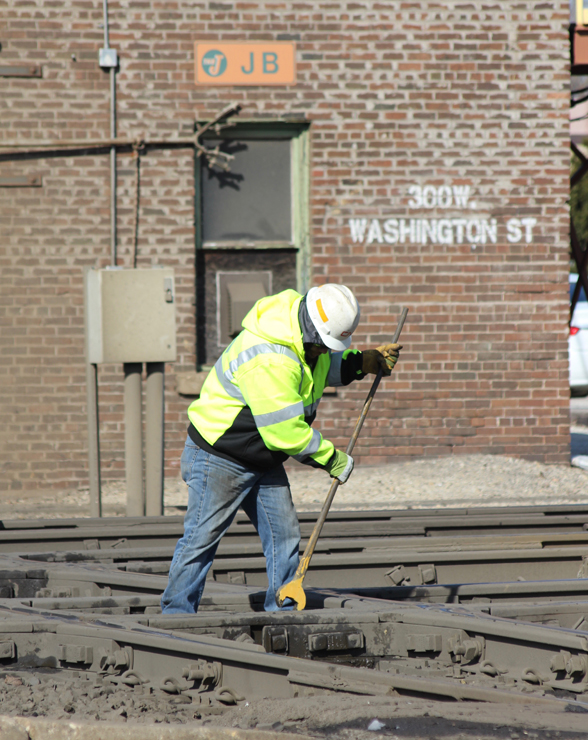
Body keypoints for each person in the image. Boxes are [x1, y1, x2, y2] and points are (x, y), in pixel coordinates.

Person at [161, 284, 401, 613]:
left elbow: (319, 368)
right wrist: (332, 459)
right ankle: (175, 617)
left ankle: (282, 612)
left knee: (284, 535)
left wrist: (363, 362)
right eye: (322, 346)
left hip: (259, 457)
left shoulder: (301, 337)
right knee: (201, 540)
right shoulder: (270, 355)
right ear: (311, 330)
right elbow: (285, 432)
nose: (323, 352)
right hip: (220, 456)